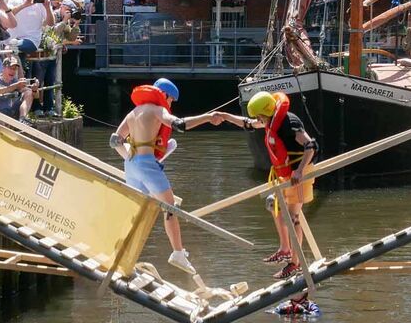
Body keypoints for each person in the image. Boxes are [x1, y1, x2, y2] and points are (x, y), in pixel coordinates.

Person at [110, 78, 217, 274]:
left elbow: (114, 140)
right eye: (171, 100)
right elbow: (181, 124)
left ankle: (122, 254)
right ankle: (177, 253)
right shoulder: (157, 110)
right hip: (147, 164)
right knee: (170, 208)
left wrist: (130, 156)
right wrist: (208, 117)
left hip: (131, 165)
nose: (171, 104)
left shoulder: (134, 112)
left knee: (137, 213)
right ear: (164, 95)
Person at [217, 91, 319, 279]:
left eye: (259, 116)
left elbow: (311, 146)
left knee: (293, 216)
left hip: (299, 173)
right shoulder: (270, 120)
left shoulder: (290, 123)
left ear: (266, 112)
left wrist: (299, 171)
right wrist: (226, 117)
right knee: (273, 204)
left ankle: (294, 263)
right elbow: (248, 124)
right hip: (285, 174)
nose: (258, 120)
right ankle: (285, 249)